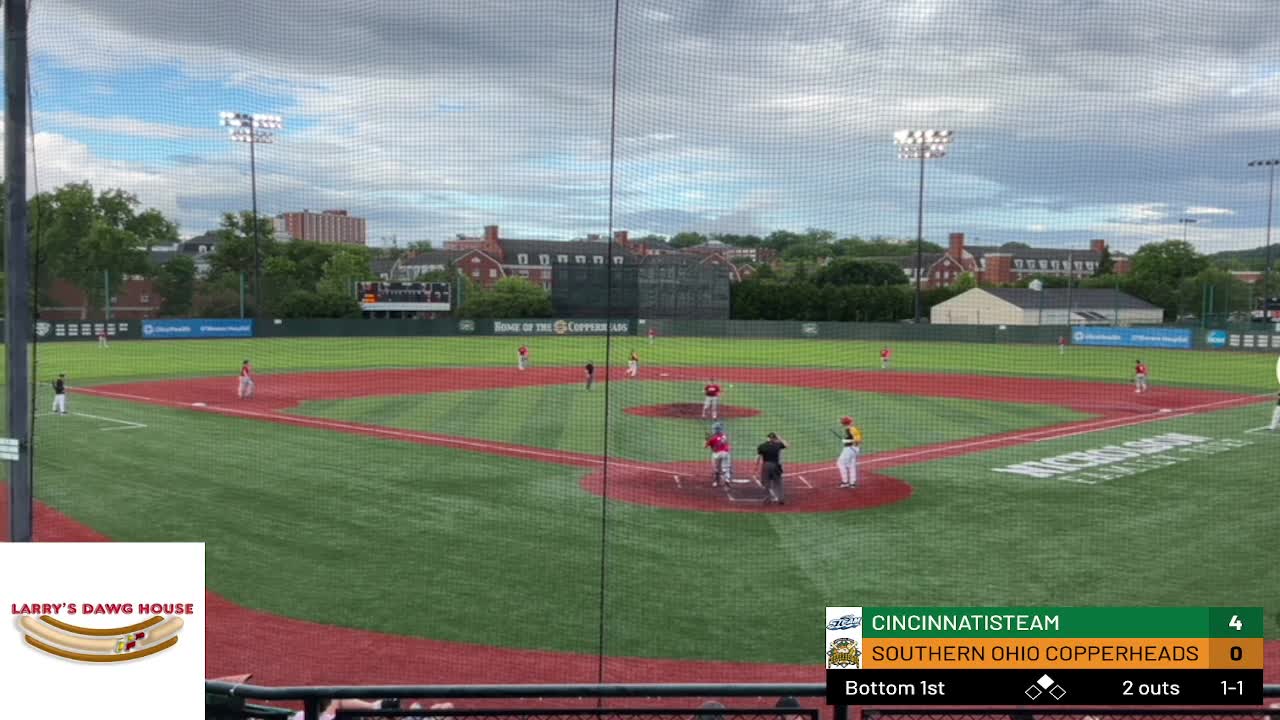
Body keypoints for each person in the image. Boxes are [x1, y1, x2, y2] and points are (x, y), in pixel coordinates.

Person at [755, 432, 789, 505]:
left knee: (766, 483)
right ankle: (781, 499)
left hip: (766, 465)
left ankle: (767, 500)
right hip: (775, 465)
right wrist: (780, 438)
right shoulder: (777, 445)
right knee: (778, 482)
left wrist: (756, 466)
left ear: (768, 438)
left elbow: (759, 457)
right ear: (774, 438)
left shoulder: (762, 446)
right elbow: (787, 445)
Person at [836, 416, 862, 488]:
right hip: (854, 449)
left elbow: (859, 440)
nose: (853, 421)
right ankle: (852, 483)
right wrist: (846, 440)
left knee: (840, 463)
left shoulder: (851, 429)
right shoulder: (850, 429)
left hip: (850, 449)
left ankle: (845, 482)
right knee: (851, 465)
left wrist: (848, 441)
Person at [705, 422, 732, 487]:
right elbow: (726, 444)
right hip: (726, 453)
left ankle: (716, 482)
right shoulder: (724, 436)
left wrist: (706, 439)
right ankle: (727, 479)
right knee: (726, 467)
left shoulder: (712, 438)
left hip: (716, 455)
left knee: (716, 468)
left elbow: (705, 446)